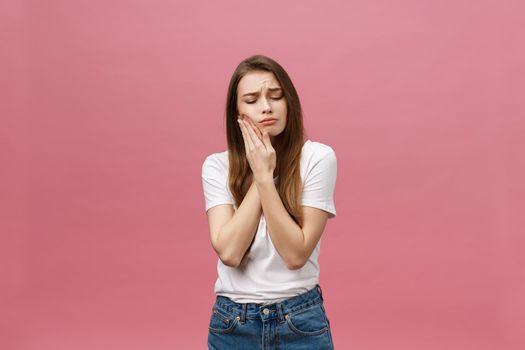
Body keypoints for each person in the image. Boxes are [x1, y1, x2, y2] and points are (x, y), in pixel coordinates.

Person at [202, 54, 337, 349]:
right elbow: (229, 252)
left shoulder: (317, 158)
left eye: (275, 96)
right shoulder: (216, 166)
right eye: (251, 99)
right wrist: (261, 172)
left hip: (299, 320)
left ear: (289, 102)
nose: (266, 107)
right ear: (236, 112)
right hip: (233, 324)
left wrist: (266, 178)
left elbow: (295, 254)